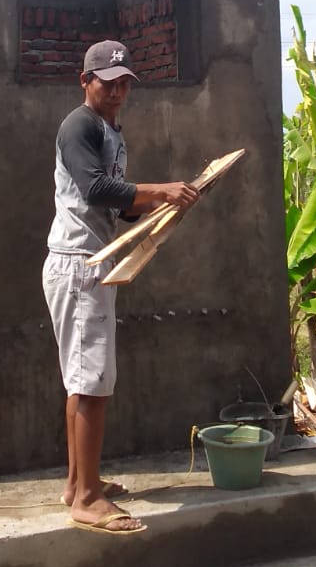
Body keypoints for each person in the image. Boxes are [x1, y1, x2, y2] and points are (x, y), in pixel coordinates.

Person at [43, 39, 199, 535]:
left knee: (83, 379)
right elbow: (94, 188)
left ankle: (78, 483)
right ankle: (87, 499)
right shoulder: (79, 126)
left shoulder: (110, 129)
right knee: (92, 384)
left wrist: (162, 204)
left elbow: (118, 202)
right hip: (80, 264)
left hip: (93, 261)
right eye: (107, 83)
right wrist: (159, 190)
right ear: (85, 81)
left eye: (124, 83)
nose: (117, 91)